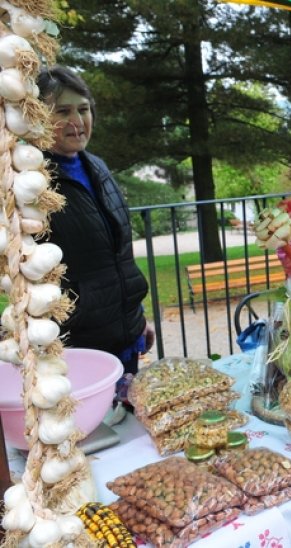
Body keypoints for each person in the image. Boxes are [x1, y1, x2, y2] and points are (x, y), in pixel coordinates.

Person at [36, 66, 154, 381]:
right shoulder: (31, 182)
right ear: (38, 117)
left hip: (125, 336)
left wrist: (138, 320)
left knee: (126, 423)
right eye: (63, 111)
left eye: (84, 109)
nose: (77, 120)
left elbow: (120, 256)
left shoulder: (96, 166)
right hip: (80, 349)